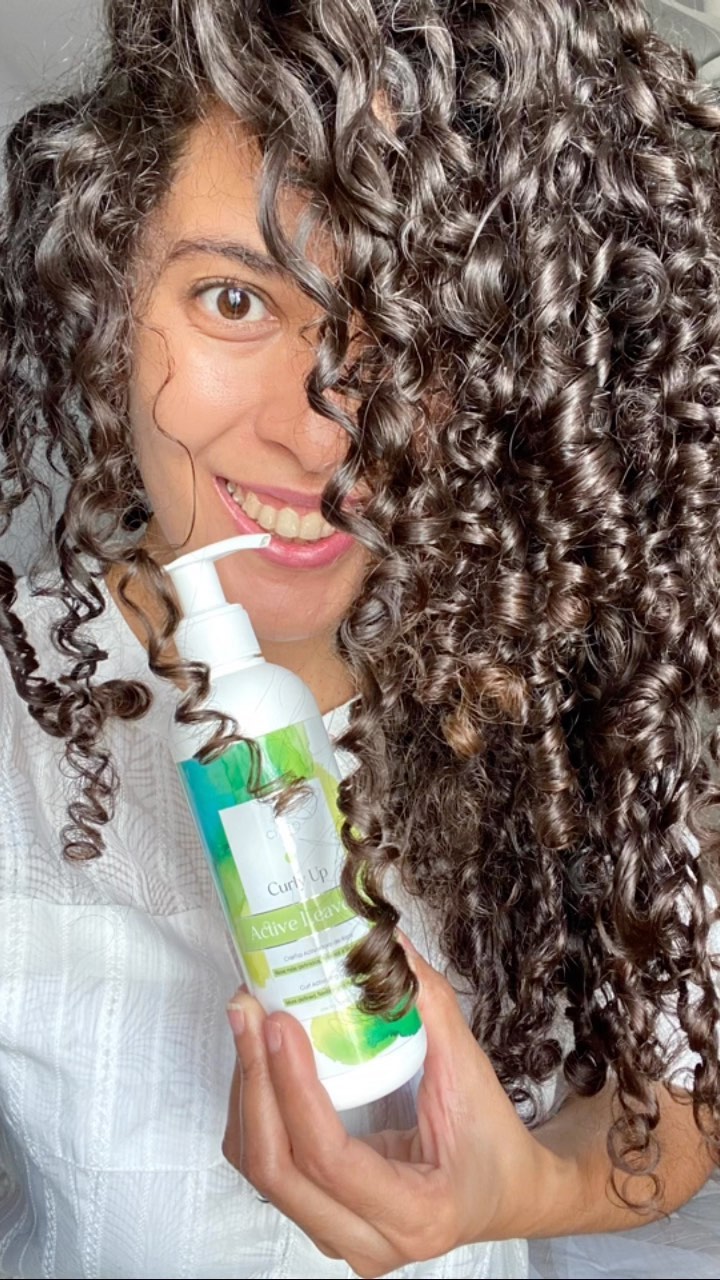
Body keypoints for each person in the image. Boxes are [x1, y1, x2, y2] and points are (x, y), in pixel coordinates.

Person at [0, 1, 719, 1277]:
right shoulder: (19, 720)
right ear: (110, 294)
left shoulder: (541, 678)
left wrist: (519, 1189)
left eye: (421, 338)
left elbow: (677, 1091)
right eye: (234, 299)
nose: (326, 432)